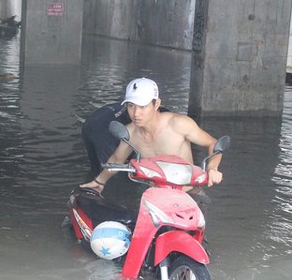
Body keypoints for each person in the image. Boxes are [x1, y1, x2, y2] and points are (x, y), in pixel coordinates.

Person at [80, 77, 223, 212]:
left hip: (189, 194)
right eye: (131, 106)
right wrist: (99, 182)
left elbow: (213, 143)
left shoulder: (178, 124)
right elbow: (116, 160)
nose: (136, 113)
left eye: (142, 106)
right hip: (156, 197)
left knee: (194, 235)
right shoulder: (131, 133)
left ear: (157, 104)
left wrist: (212, 168)